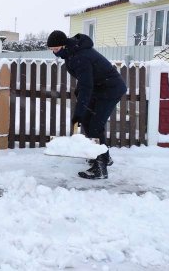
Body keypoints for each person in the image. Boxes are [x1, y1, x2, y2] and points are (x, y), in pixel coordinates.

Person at [47, 30, 127, 179]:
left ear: (64, 45)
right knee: (88, 121)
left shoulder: (79, 57)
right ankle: (103, 157)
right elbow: (86, 79)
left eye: (56, 49)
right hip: (100, 88)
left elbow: (86, 86)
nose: (54, 53)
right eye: (52, 50)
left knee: (95, 125)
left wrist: (78, 113)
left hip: (110, 89)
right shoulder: (72, 53)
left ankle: (101, 168)